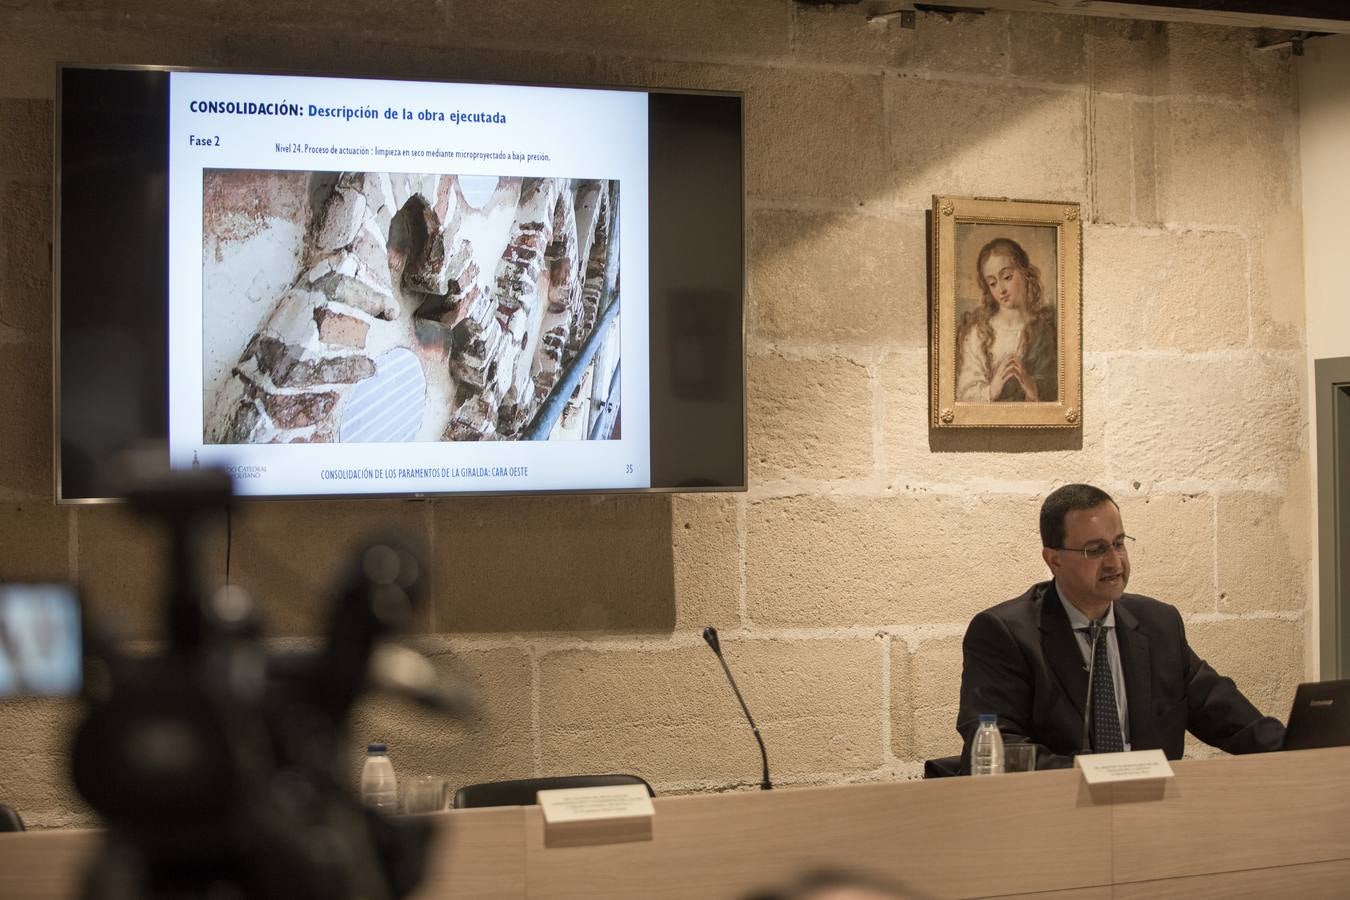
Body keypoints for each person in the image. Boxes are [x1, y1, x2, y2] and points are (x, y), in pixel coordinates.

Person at [957, 483, 1285, 772]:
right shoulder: (1004, 633)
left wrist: (1304, 747)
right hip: (1054, 814)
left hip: (1151, 814)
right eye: (1095, 550)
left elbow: (1224, 713)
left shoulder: (1159, 624)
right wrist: (1099, 772)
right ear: (1053, 560)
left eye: (1119, 543)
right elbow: (995, 747)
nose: (1114, 562)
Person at [955, 237, 1057, 403]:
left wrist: (1032, 389)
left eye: (1007, 277)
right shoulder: (978, 334)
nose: (1001, 289)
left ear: (1025, 273)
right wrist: (992, 390)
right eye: (993, 283)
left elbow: (1055, 393)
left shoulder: (1044, 331)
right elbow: (965, 394)